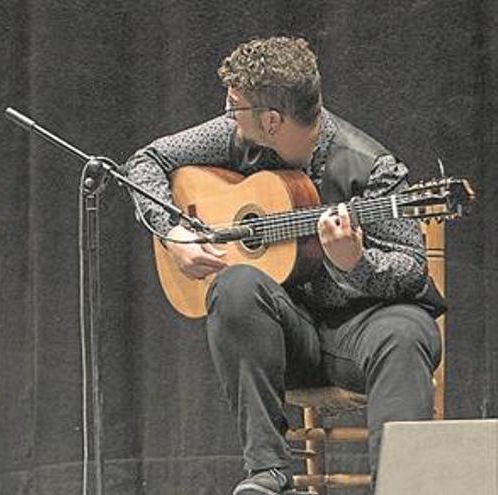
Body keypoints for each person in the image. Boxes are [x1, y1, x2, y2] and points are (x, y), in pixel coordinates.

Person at [121, 37, 444, 495]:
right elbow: (145, 162)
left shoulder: (372, 168)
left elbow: (413, 269)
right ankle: (269, 475)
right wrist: (174, 233)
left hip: (360, 334)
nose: (226, 115)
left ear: (271, 120)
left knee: (407, 330)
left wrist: (357, 263)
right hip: (286, 338)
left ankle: (404, 485)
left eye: (234, 107)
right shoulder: (236, 135)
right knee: (235, 286)